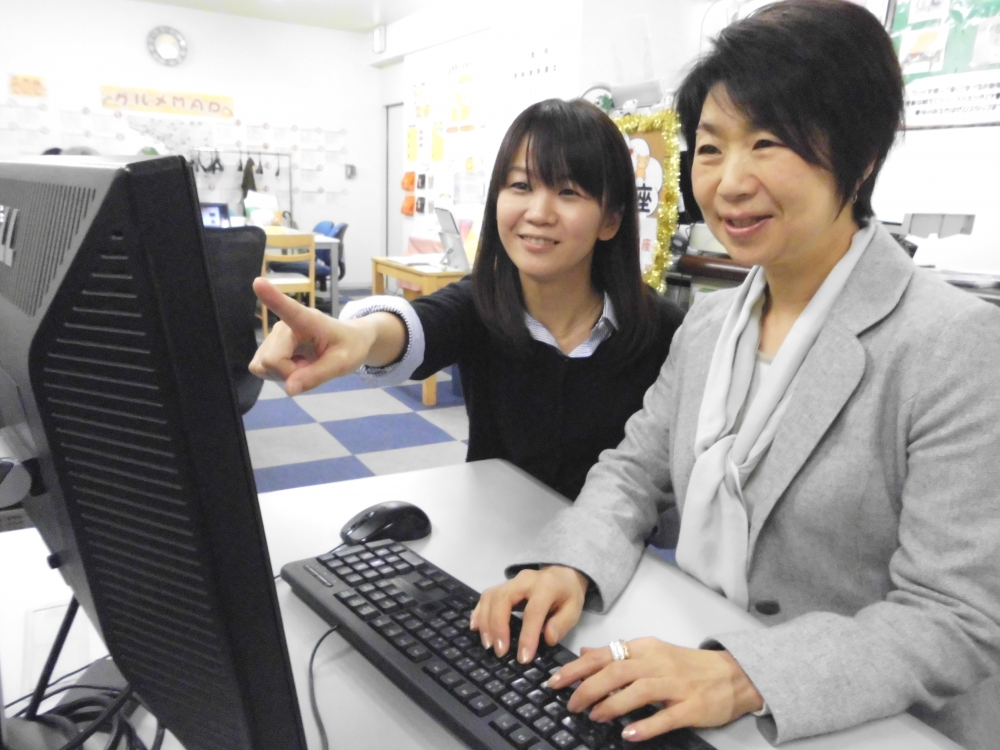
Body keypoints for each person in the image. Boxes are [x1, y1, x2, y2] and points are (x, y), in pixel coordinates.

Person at [471, 2, 1000, 748]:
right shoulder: (713, 324)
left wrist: (741, 674)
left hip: (857, 718)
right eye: (711, 148)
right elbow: (632, 470)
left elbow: (956, 616)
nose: (729, 183)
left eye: (769, 142)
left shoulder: (953, 343)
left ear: (862, 157)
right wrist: (572, 563)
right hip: (692, 658)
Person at [250, 99, 685, 500]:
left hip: (611, 558)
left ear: (610, 219)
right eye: (520, 185)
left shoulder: (662, 329)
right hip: (490, 539)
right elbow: (418, 327)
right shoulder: (484, 304)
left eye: (568, 192)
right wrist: (356, 336)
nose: (538, 212)